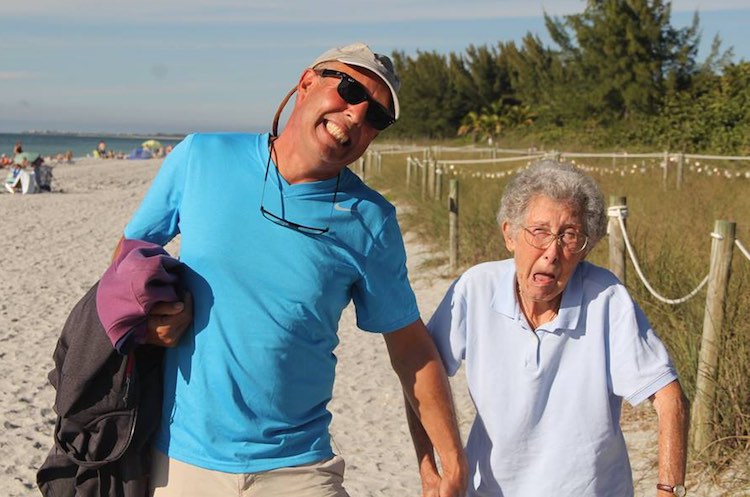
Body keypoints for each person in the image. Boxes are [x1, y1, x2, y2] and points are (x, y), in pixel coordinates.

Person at [118, 42, 467, 497]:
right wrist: (148, 318)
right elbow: (134, 251)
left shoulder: (371, 219)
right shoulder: (202, 156)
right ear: (306, 83)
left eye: (378, 117)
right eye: (349, 88)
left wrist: (452, 461)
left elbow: (409, 348)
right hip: (182, 463)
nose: (358, 115)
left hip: (300, 469)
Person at [406, 160, 689, 497]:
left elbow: (670, 398)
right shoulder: (476, 289)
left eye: (569, 236)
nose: (552, 253)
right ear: (509, 235)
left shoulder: (606, 297)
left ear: (585, 248)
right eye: (539, 232)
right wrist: (430, 473)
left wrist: (669, 490)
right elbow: (420, 378)